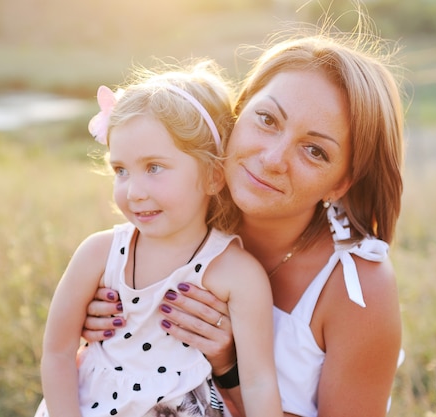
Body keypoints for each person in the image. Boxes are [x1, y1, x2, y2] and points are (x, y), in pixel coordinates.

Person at [82, 17, 405, 417]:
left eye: (315, 151)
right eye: (267, 120)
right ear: (241, 108)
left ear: (341, 183)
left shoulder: (358, 290)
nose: (272, 159)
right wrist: (101, 324)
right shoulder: (181, 212)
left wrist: (229, 367)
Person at [35, 62, 283, 417]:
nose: (134, 192)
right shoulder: (98, 254)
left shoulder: (236, 273)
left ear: (213, 176)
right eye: (121, 170)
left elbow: (259, 382)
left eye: (154, 167)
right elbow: (57, 352)